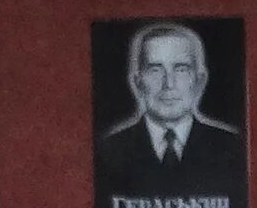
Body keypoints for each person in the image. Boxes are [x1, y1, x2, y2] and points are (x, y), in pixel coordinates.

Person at [98, 19, 245, 197]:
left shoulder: (233, 149)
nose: (169, 84)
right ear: (137, 82)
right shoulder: (108, 151)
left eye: (181, 69)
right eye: (155, 70)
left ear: (199, 81)